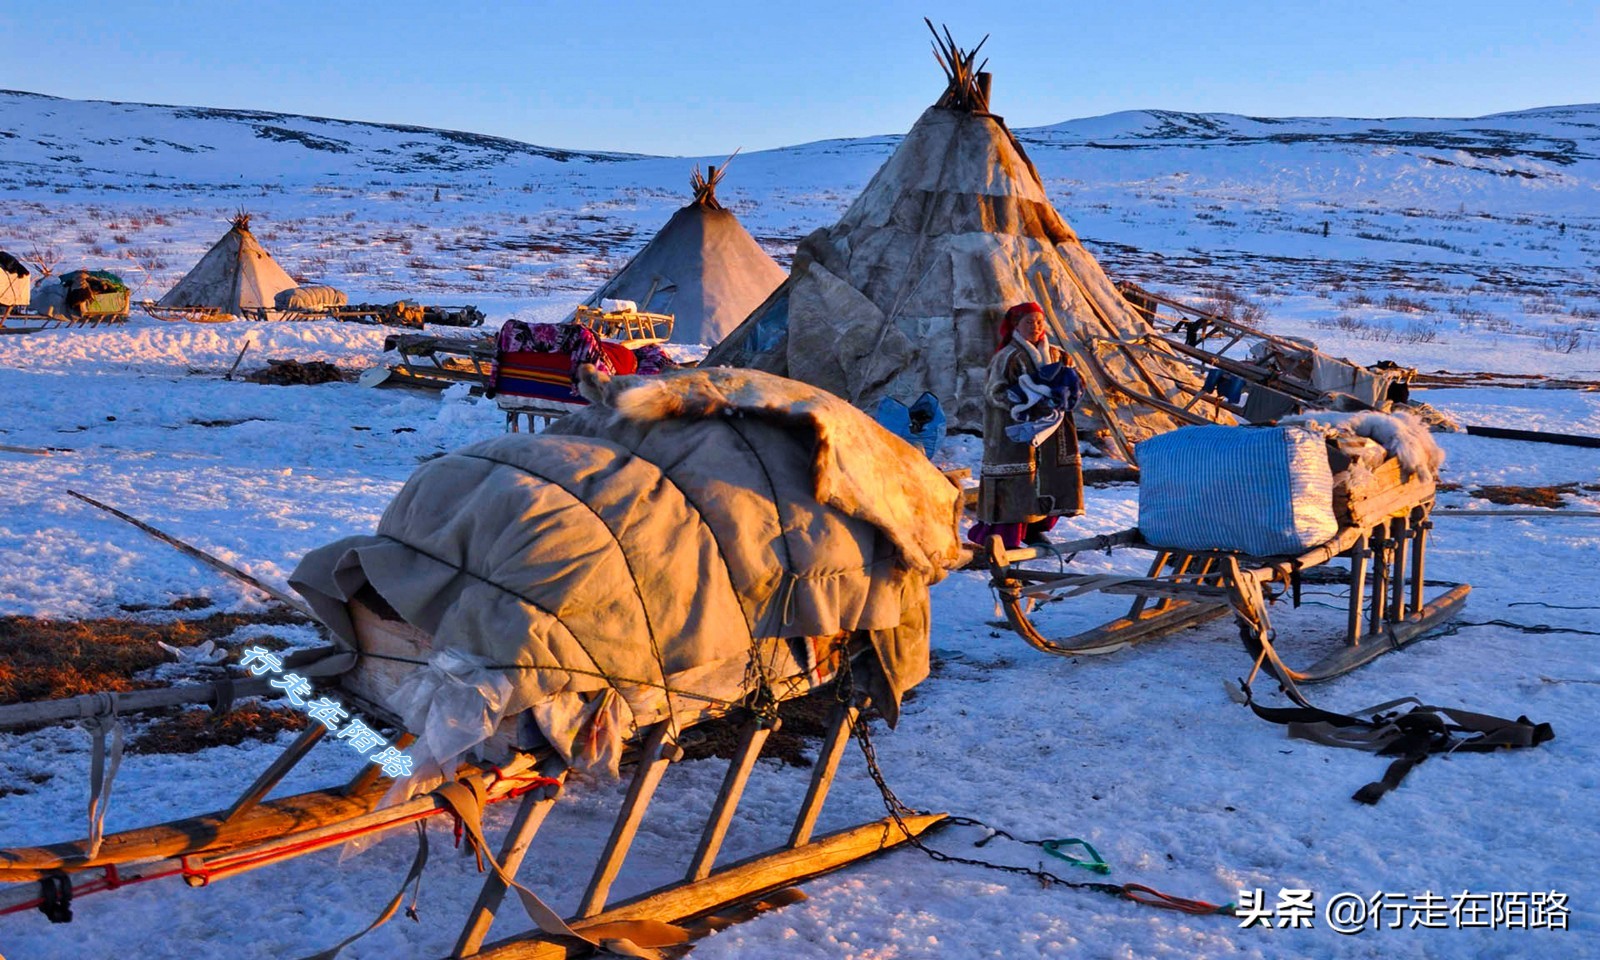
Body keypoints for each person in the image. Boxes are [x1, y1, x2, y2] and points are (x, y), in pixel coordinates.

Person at [972, 301, 1084, 550]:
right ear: (1016, 326)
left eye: (1039, 322)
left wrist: (1067, 391)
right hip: (1013, 430)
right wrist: (1024, 400)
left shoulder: (1057, 354)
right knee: (1018, 480)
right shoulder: (1007, 357)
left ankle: (1035, 529)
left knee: (1045, 478)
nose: (1035, 327)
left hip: (1052, 430)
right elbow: (994, 392)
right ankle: (1007, 536)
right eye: (1029, 322)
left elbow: (1076, 380)